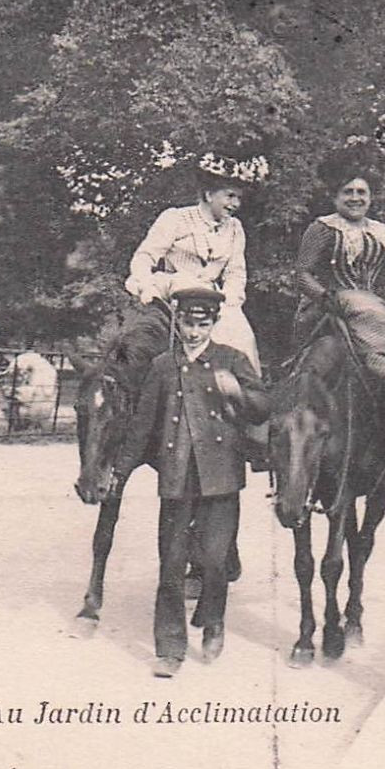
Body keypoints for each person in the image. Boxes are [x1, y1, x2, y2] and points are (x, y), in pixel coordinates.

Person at [110, 285, 270, 678]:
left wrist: (238, 392)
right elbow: (143, 423)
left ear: (214, 323)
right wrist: (121, 470)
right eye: (187, 322)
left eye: (202, 324)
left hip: (221, 477)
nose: (193, 331)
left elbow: (264, 406)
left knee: (215, 563)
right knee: (170, 565)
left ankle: (213, 622)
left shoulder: (232, 359)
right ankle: (170, 649)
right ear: (178, 321)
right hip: (177, 475)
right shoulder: (163, 365)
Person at [293, 149, 385, 473]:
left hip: (372, 311)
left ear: (370, 197)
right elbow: (302, 274)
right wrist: (326, 297)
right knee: (326, 370)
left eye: (362, 192)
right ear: (335, 197)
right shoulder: (322, 229)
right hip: (327, 309)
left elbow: (382, 281)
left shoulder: (379, 232)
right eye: (348, 192)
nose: (355, 198)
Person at [126, 157, 259, 370]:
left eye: (239, 198)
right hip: (173, 291)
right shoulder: (175, 218)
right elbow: (144, 257)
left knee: (241, 335)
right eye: (230, 196)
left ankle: (243, 394)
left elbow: (236, 272)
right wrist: (145, 286)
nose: (236, 204)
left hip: (215, 297)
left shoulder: (235, 228)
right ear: (208, 194)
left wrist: (231, 302)